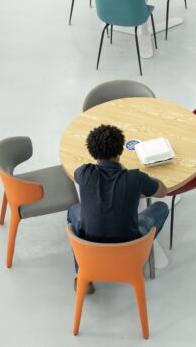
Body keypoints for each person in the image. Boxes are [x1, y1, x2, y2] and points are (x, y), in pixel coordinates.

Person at [66, 124, 170, 293]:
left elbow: (78, 179)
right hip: (130, 249)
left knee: (73, 210)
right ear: (121, 150)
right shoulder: (136, 178)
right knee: (161, 207)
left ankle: (83, 277)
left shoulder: (84, 172)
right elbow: (162, 191)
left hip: (90, 248)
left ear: (92, 153)